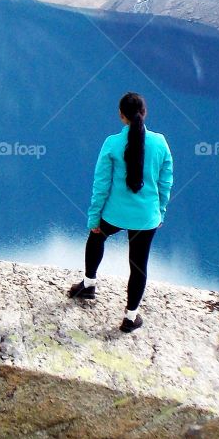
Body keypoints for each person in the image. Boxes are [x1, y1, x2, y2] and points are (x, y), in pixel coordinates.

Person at [69, 92, 174, 333]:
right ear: (144, 113)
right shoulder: (160, 143)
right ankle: (130, 317)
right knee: (138, 266)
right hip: (146, 218)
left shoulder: (112, 143)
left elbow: (101, 184)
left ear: (121, 115)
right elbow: (165, 182)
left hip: (113, 214)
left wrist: (94, 217)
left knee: (96, 236)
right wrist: (160, 212)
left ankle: (89, 285)